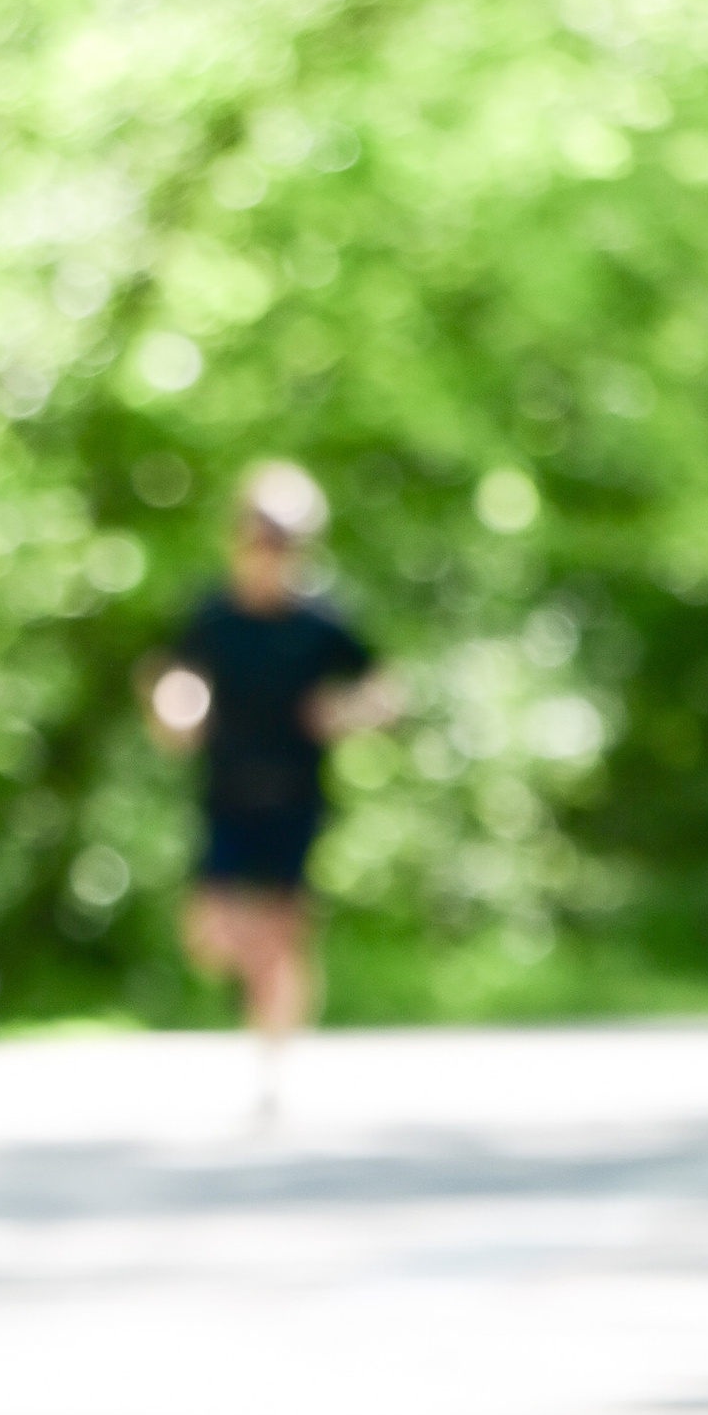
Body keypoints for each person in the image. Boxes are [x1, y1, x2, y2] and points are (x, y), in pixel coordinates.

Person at [143, 461, 398, 1107]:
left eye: (283, 539)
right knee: (212, 935)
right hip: (226, 792)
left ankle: (273, 1066)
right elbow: (172, 671)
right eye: (258, 535)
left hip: (294, 796)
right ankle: (258, 997)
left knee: (282, 933)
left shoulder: (321, 621)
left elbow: (385, 687)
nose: (268, 551)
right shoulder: (214, 614)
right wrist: (177, 706)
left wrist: (346, 712)